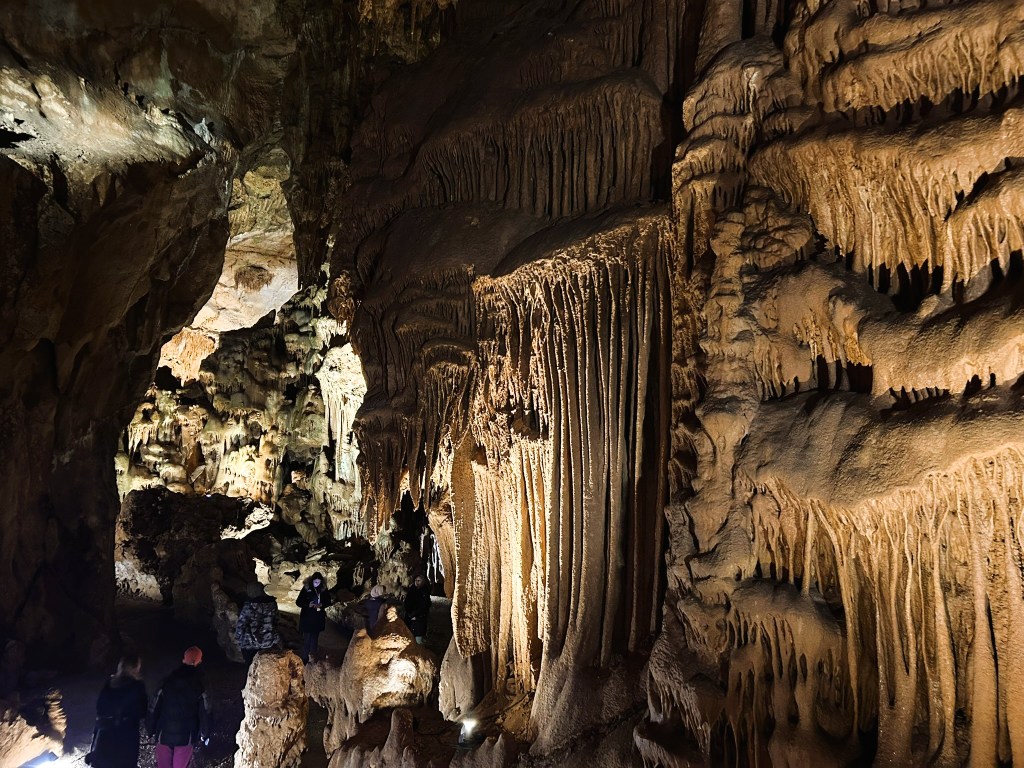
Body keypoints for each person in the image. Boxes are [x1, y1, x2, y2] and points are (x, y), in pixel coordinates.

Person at [149, 646, 210, 768]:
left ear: (184, 659)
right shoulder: (200, 685)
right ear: (197, 661)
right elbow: (205, 711)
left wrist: (151, 728)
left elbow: (154, 706)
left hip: (164, 733)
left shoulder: (167, 681)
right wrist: (205, 733)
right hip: (186, 736)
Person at [87, 653, 148, 768]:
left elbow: (100, 708)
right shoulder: (137, 686)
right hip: (126, 736)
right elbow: (142, 711)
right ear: (135, 667)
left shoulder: (110, 683)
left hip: (105, 734)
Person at [235, 582, 280, 664]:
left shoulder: (249, 606)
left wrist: (238, 639)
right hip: (268, 642)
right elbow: (276, 621)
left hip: (250, 644)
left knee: (251, 667)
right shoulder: (272, 604)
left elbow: (241, 625)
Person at [296, 572, 330, 663]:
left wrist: (322, 605)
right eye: (315, 582)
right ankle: (305, 659)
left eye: (318, 582)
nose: (317, 584)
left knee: (315, 638)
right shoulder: (306, 589)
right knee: (307, 639)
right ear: (312, 581)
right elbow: (298, 602)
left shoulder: (323, 589)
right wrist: (308, 604)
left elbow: (328, 601)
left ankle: (312, 659)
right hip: (307, 617)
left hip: (318, 618)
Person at [403, 575, 431, 644]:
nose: (417, 582)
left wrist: (417, 616)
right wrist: (409, 614)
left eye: (419, 581)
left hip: (419, 619)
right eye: (416, 580)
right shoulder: (412, 590)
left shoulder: (424, 591)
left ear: (423, 582)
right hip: (410, 617)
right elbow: (407, 602)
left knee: (418, 639)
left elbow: (425, 606)